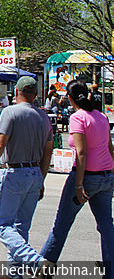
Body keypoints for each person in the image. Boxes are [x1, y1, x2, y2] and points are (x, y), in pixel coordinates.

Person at [0, 76, 53, 276]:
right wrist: (41, 179)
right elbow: (48, 152)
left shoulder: (10, 112)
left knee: (2, 225)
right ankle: (14, 274)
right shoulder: (44, 117)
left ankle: (35, 262)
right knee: (20, 229)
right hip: (35, 172)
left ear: (17, 92)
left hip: (14, 172)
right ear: (35, 95)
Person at [41, 80, 114, 276]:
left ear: (70, 99)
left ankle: (44, 266)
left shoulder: (78, 118)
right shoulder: (101, 117)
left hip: (86, 176)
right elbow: (110, 149)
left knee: (62, 223)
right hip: (106, 176)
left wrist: (79, 185)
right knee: (106, 225)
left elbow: (81, 153)